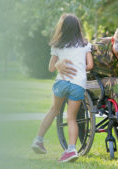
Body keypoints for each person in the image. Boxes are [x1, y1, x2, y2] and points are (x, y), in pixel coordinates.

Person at [31, 13, 93, 163]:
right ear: (78, 28)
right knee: (71, 117)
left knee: (53, 110)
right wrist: (79, 69)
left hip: (61, 83)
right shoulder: (85, 45)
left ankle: (38, 140)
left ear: (62, 28)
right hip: (78, 84)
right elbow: (90, 66)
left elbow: (51, 68)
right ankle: (71, 149)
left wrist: (60, 65)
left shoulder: (57, 46)